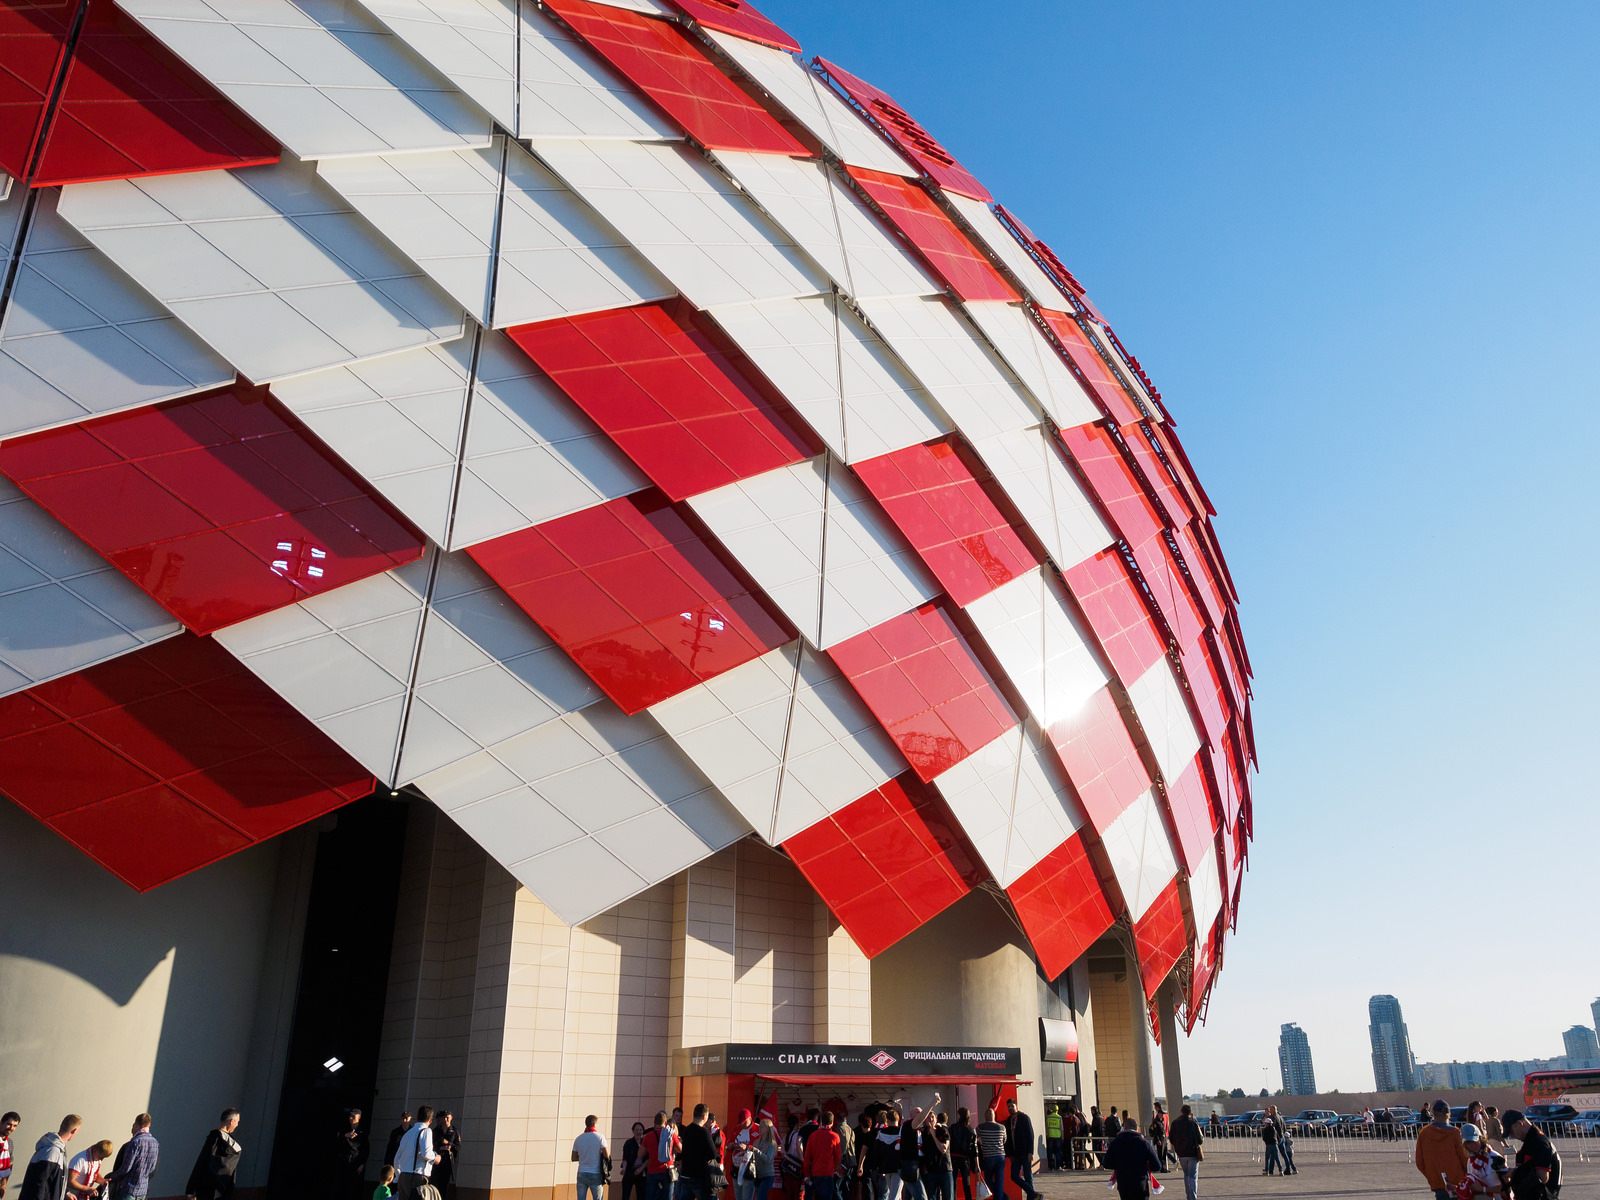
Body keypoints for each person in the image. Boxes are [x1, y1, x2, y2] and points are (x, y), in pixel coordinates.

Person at [1414, 1100, 1468, 1200]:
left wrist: (1432, 1174)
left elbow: (1419, 1162)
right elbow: (1463, 1157)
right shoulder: (1454, 1132)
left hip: (1437, 1182)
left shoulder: (1424, 1133)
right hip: (1458, 1181)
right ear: (1448, 1114)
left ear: (1433, 1113)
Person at [1501, 1110, 1560, 1200]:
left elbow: (1542, 1177)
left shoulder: (1539, 1142)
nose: (1512, 1136)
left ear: (1520, 1123)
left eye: (1511, 1131)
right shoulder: (1532, 1141)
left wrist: (1515, 1173)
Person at [184, 1109, 242, 1200]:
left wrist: (191, 1189)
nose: (237, 1125)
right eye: (237, 1122)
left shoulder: (214, 1137)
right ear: (231, 1121)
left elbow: (202, 1161)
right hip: (222, 1190)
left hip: (207, 1189)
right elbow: (203, 1161)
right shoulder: (233, 1144)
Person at [19, 1117, 79, 1200]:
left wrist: (66, 1192)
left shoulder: (58, 1150)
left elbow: (53, 1178)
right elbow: (39, 1182)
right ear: (74, 1131)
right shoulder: (52, 1151)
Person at [1103, 1116, 1161, 1200]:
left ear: (1124, 1128)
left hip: (1123, 1183)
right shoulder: (1144, 1143)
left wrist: (1119, 1165)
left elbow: (1106, 1163)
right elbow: (1157, 1166)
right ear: (1136, 1128)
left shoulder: (1115, 1143)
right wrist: (1146, 1166)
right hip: (1140, 1183)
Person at [105, 1115, 158, 1200]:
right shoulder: (155, 1143)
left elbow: (126, 1168)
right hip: (143, 1191)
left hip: (129, 1190)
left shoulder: (135, 1142)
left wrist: (111, 1177)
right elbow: (152, 1169)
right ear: (149, 1125)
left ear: (137, 1124)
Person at [392, 1105, 438, 1200]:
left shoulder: (408, 1133)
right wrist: (436, 1157)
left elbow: (396, 1159)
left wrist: (398, 1176)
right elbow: (426, 1153)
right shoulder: (426, 1131)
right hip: (417, 1176)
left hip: (403, 1176)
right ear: (430, 1119)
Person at [802, 1112, 842, 1200]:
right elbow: (838, 1157)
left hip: (815, 1173)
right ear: (832, 1122)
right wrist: (837, 1170)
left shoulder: (813, 1136)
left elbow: (807, 1157)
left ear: (821, 1121)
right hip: (828, 1173)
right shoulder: (835, 1137)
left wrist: (806, 1174)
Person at [680, 1105, 717, 1200]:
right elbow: (713, 1153)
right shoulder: (704, 1132)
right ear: (704, 1116)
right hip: (700, 1176)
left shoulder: (687, 1130)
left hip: (685, 1174)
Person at [1003, 1100, 1037, 1200]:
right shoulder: (1008, 1121)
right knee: (1014, 1175)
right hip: (1015, 1154)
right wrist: (1009, 1154)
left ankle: (1031, 1197)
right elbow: (1007, 1139)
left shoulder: (1024, 1118)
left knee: (1027, 1176)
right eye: (1008, 1107)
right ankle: (1033, 1193)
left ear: (1016, 1106)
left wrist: (1030, 1152)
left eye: (1012, 1106)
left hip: (1025, 1152)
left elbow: (1030, 1135)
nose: (1010, 1108)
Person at [1458, 1125, 1504, 1198]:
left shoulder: (1495, 1157)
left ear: (1481, 1139)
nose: (1472, 1145)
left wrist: (1483, 1189)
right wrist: (1455, 1188)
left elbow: (1506, 1186)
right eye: (1468, 1142)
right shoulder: (1470, 1161)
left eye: (1475, 1141)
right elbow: (1472, 1187)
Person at [1168, 1105, 1203, 1200]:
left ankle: (1188, 1195)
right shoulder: (1193, 1123)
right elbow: (1200, 1140)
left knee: (1186, 1175)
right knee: (1192, 1176)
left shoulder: (1175, 1123)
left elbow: (1171, 1138)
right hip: (1192, 1153)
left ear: (1181, 1111)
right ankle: (1193, 1197)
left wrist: (1177, 1146)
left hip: (1181, 1153)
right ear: (1190, 1112)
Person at [642, 1111, 679, 1200]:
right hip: (667, 1170)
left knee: (650, 1197)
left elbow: (640, 1153)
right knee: (667, 1197)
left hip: (652, 1171)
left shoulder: (648, 1136)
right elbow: (680, 1149)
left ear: (654, 1123)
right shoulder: (671, 1134)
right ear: (665, 1123)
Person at [331, 1109, 367, 1200]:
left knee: (353, 1188)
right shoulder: (344, 1129)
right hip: (344, 1161)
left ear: (359, 1118)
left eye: (353, 1117)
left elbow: (365, 1149)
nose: (350, 1118)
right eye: (350, 1116)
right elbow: (336, 1139)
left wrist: (362, 1164)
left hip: (355, 1163)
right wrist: (345, 1135)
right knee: (341, 1187)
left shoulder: (362, 1132)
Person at [573, 1114, 608, 1200]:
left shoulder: (578, 1138)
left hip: (581, 1172)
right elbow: (606, 1155)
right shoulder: (600, 1137)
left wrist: (584, 1157)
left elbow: (573, 1158)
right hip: (595, 1173)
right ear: (595, 1124)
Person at [974, 1109, 1005, 1200]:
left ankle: (1001, 1196)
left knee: (988, 1180)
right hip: (1000, 1156)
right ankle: (1001, 1197)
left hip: (988, 1157)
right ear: (994, 1115)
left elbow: (977, 1140)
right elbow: (1004, 1140)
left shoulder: (980, 1127)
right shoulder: (1002, 1127)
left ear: (985, 1116)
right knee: (999, 1181)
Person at [921, 1112, 951, 1200]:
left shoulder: (942, 1130)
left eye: (933, 1117)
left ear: (936, 1119)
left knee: (948, 1196)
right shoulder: (923, 1134)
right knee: (931, 1197)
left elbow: (943, 1149)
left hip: (945, 1169)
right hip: (931, 1171)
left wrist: (934, 1134)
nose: (931, 1119)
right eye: (928, 1118)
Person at [947, 1110, 975, 1200]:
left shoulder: (953, 1127)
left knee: (953, 1182)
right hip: (964, 1158)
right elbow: (973, 1146)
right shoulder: (970, 1129)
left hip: (953, 1156)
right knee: (966, 1182)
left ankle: (953, 1198)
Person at [432, 1113, 460, 1199]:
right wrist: (440, 1145)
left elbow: (458, 1146)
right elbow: (431, 1144)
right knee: (434, 1185)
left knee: (444, 1187)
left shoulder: (454, 1131)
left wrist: (449, 1144)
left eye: (448, 1118)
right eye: (444, 1118)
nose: (446, 1119)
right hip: (436, 1162)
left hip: (447, 1162)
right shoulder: (436, 1130)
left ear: (451, 1118)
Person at [753, 1120, 779, 1200]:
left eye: (762, 1126)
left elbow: (768, 1160)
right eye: (759, 1126)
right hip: (757, 1175)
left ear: (768, 1129)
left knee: (761, 1197)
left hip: (767, 1176)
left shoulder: (772, 1143)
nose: (759, 1128)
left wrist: (756, 1151)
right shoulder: (756, 1142)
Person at [624, 1122, 649, 1200]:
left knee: (641, 1196)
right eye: (636, 1130)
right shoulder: (628, 1143)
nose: (639, 1132)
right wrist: (624, 1169)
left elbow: (648, 1159)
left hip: (642, 1173)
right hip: (629, 1171)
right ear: (633, 1131)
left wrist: (641, 1169)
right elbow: (625, 1158)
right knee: (625, 1195)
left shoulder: (646, 1143)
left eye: (640, 1130)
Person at [383, 1115, 413, 1180]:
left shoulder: (413, 1132)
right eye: (403, 1118)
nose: (404, 1120)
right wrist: (387, 1162)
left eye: (406, 1118)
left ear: (410, 1119)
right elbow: (390, 1148)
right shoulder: (395, 1132)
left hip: (408, 1163)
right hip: (396, 1161)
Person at [1259, 1106, 1283, 1177]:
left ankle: (1267, 1171)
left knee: (1267, 1158)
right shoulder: (1274, 1129)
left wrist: (1266, 1142)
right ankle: (1281, 1170)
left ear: (1266, 1123)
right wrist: (1277, 1142)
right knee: (1277, 1158)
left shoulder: (1265, 1130)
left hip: (1269, 1145)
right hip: (1275, 1144)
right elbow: (1278, 1136)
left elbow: (1264, 1138)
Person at [1, 1113, 20, 1200]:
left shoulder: (9, 1143)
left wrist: (4, 1183)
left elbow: (9, 1164)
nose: (11, 1128)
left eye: (15, 1126)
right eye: (9, 1124)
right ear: (1, 1122)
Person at [1149, 1105, 1171, 1172]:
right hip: (1160, 1140)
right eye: (1161, 1114)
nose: (1162, 1115)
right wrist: (1158, 1140)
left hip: (1163, 1139)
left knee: (1164, 1154)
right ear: (1158, 1114)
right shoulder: (1156, 1122)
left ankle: (1164, 1168)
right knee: (1160, 1155)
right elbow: (1155, 1132)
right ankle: (1161, 1168)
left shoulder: (1161, 1121)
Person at [1043, 1107, 1062, 1174]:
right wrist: (1062, 1137)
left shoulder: (1048, 1117)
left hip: (1050, 1136)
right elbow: (1061, 1128)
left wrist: (1047, 1135)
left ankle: (1051, 1167)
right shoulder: (1059, 1117)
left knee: (1050, 1152)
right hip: (1058, 1136)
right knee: (1058, 1152)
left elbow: (1046, 1127)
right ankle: (1058, 1166)